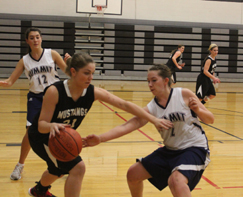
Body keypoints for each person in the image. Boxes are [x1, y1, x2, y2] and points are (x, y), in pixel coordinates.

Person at [27, 53, 172, 197]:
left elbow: (124, 104)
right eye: (86, 73)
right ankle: (39, 190)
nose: (91, 77)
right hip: (42, 137)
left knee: (57, 170)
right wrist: (52, 125)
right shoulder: (55, 91)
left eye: (92, 73)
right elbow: (41, 124)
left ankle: (38, 191)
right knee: (77, 168)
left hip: (61, 137)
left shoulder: (92, 92)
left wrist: (153, 119)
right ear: (73, 72)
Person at [83, 64, 214, 197]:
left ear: (166, 81)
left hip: (194, 148)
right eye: (148, 81)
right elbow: (126, 126)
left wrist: (198, 109)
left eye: (154, 80)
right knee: (133, 174)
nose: (150, 84)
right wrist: (100, 138)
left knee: (175, 181)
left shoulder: (183, 94)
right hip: (171, 151)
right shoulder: (152, 107)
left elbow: (210, 119)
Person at [0, 27, 70, 180]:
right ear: (27, 41)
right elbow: (10, 81)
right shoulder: (24, 61)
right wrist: (3, 83)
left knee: (61, 131)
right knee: (30, 132)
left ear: (41, 38)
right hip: (36, 98)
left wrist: (70, 62)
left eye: (37, 37)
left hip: (56, 95)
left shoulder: (52, 54)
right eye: (31, 38)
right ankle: (20, 165)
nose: (35, 40)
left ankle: (65, 163)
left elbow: (70, 73)